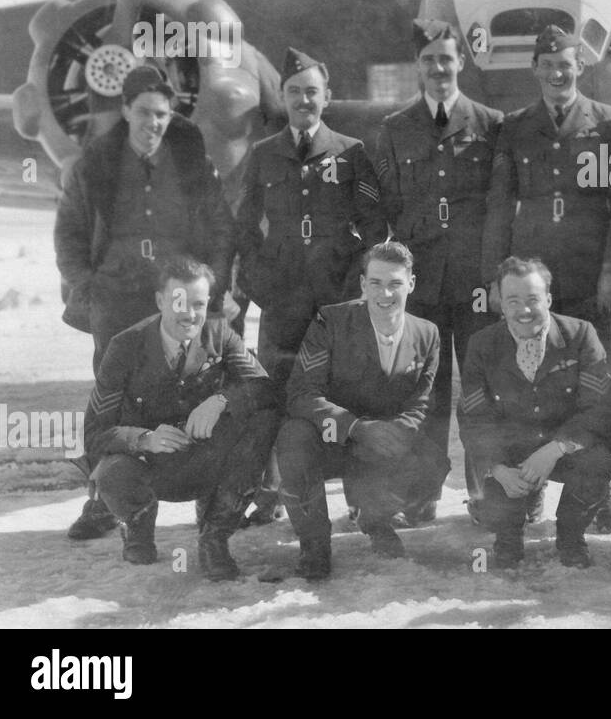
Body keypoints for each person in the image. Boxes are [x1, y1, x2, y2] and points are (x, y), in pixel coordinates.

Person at [56, 65, 235, 541]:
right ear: (124, 110)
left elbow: (220, 225)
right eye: (143, 113)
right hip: (116, 299)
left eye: (161, 113)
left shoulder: (192, 159)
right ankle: (103, 499)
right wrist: (89, 286)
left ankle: (209, 496)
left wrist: (213, 292)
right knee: (110, 402)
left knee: (195, 387)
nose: (153, 123)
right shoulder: (95, 163)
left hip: (178, 297)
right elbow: (69, 232)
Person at [482, 24, 611, 532]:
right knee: (528, 377)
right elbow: (499, 205)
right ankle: (528, 487)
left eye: (565, 64)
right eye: (547, 65)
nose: (556, 73)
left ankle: (600, 490)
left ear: (580, 66)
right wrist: (493, 277)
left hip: (588, 274)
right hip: (531, 281)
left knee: (594, 382)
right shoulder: (515, 126)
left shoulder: (608, 124)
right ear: (535, 70)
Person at [236, 47, 386, 523]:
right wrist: (260, 282)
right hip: (281, 303)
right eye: (295, 92)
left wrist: (350, 286)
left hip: (337, 302)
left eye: (312, 92)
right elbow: (243, 227)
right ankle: (271, 496)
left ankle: (363, 501)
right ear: (282, 97)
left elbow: (375, 227)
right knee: (274, 395)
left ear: (328, 97)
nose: (304, 101)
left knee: (346, 396)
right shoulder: (263, 155)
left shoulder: (352, 153)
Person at [375, 19, 503, 523]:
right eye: (428, 60)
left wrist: (494, 276)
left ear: (461, 61)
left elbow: (500, 206)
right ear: (418, 66)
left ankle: (486, 493)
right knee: (422, 392)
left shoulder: (491, 124)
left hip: (474, 281)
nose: (438, 68)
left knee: (480, 388)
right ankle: (421, 493)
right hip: (422, 283)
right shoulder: (394, 128)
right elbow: (386, 208)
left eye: (446, 58)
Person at [84, 255, 277, 580]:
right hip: (148, 463)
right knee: (111, 473)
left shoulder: (220, 334)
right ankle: (137, 524)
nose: (189, 314)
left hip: (204, 456)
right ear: (160, 300)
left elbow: (265, 389)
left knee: (264, 420)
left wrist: (221, 399)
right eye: (179, 302)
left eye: (198, 304)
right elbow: (94, 433)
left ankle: (215, 536)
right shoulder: (124, 347)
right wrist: (144, 438)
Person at [275, 242, 449, 579]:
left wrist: (400, 430)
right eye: (376, 283)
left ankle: (375, 518)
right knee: (293, 437)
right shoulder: (331, 321)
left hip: (379, 444)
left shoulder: (427, 334)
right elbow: (301, 393)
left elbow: (421, 400)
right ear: (362, 285)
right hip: (333, 439)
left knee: (433, 464)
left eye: (395, 283)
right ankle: (314, 545)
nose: (385, 293)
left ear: (411, 284)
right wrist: (354, 427)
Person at [457, 257, 611, 568]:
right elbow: (474, 418)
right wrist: (498, 469)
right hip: (510, 448)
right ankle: (507, 536)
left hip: (565, 447)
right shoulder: (481, 344)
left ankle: (571, 537)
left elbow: (600, 408)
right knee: (495, 502)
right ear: (501, 304)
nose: (524, 310)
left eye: (533, 299)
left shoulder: (581, 335)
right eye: (513, 300)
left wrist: (556, 448)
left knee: (596, 463)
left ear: (548, 298)